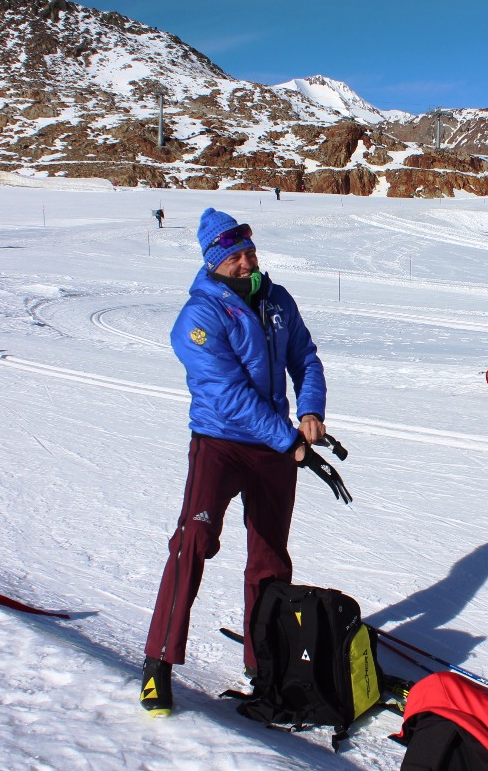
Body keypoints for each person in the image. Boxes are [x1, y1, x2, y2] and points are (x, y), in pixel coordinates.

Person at [140, 207, 328, 717]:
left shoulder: (277, 299)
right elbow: (227, 395)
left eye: (250, 252)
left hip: (275, 446)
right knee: (194, 542)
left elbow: (305, 357)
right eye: (236, 256)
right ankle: (159, 662)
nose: (248, 263)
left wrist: (310, 410)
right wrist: (288, 439)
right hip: (220, 443)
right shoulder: (197, 318)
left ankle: (263, 664)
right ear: (214, 261)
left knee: (270, 558)